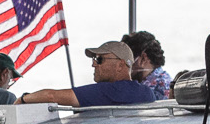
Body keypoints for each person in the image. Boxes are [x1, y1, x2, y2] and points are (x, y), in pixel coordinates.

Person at [19, 40, 154, 107]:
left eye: (99, 59)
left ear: (120, 65)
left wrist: (23, 99)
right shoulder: (147, 92)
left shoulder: (107, 92)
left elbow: (51, 96)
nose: (94, 64)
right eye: (94, 59)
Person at [125, 31, 173, 100]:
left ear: (143, 58)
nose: (124, 66)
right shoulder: (140, 82)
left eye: (128, 60)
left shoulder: (162, 87)